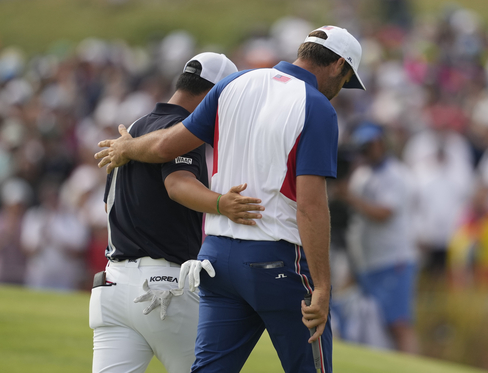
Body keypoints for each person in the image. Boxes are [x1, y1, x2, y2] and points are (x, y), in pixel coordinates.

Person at [95, 25, 365, 373]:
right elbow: (311, 206)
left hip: (217, 260)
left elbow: (165, 146)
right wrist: (324, 285)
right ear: (339, 65)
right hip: (277, 259)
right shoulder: (317, 107)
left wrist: (126, 147)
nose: (340, 90)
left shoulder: (233, 84)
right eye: (346, 81)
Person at [89, 52, 265, 373]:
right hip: (163, 288)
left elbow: (108, 205)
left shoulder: (136, 129)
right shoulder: (181, 131)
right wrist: (220, 203)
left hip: (112, 288)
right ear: (216, 95)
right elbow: (178, 184)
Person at [343, 122, 419, 353]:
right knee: (375, 324)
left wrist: (349, 197)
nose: (367, 150)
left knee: (397, 323)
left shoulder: (396, 174)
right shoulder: (362, 175)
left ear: (381, 144)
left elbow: (384, 213)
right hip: (368, 261)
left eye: (371, 145)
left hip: (392, 259)